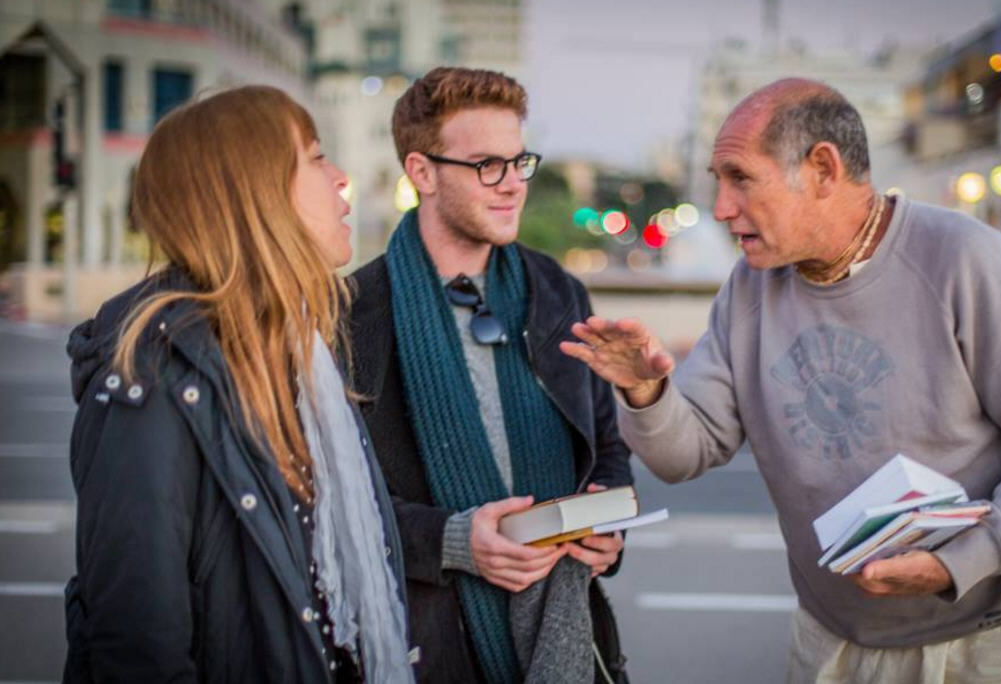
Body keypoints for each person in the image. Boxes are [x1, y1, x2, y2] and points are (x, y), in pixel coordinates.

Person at [561, 78, 1001, 683]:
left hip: (994, 643)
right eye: (717, 180)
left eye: (740, 177)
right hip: (832, 643)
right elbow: (686, 454)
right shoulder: (748, 288)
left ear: (822, 168)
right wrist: (646, 390)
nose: (720, 207)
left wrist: (960, 563)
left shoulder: (967, 260)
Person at [64, 86, 413, 683]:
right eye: (316, 156)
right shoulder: (155, 374)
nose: (341, 178)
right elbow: (136, 645)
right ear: (254, 191)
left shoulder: (306, 353)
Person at [348, 66, 632, 684]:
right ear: (422, 172)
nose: (511, 186)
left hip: (571, 634)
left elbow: (605, 444)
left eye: (518, 162)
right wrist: (451, 541)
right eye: (485, 166)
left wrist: (606, 527)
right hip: (426, 646)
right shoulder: (353, 314)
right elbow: (330, 502)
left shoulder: (559, 292)